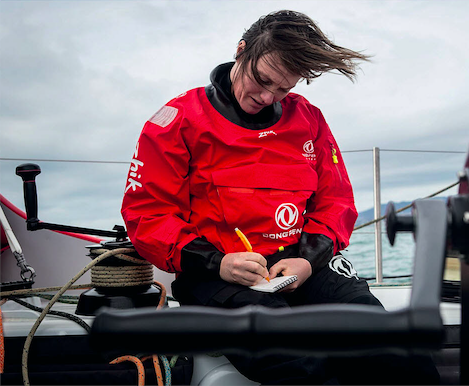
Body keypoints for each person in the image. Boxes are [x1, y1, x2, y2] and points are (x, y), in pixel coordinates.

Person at [121, 10, 438, 385]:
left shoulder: (309, 120)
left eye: (284, 89)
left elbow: (336, 203)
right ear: (242, 51)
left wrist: (306, 260)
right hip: (216, 274)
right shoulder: (177, 121)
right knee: (299, 363)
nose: (268, 96)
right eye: (262, 80)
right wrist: (218, 263)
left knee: (392, 346)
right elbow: (148, 215)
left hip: (298, 268)